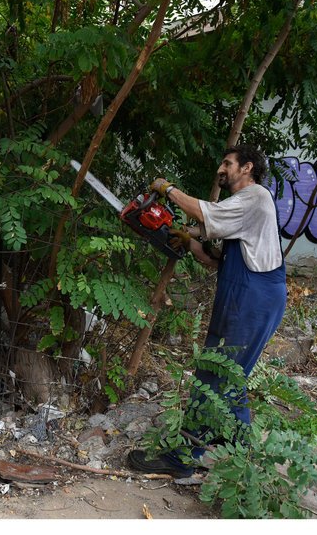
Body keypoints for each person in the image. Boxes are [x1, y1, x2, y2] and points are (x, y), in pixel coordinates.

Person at [127, 144, 287, 478]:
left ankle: (183, 458)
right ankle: (241, 452)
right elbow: (213, 260)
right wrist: (186, 239)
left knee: (214, 374)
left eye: (227, 163)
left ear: (247, 167)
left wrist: (167, 189)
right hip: (245, 296)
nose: (221, 169)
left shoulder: (255, 196)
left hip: (252, 298)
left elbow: (204, 213)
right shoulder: (241, 211)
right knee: (232, 375)